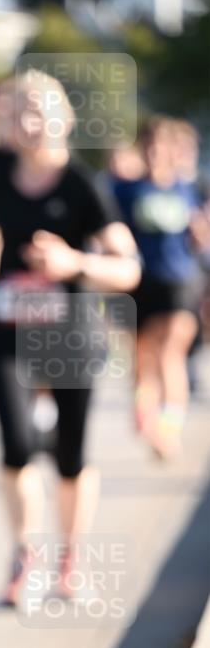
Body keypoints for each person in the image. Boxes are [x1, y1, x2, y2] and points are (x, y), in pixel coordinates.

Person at [0, 70, 140, 606]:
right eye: (20, 110)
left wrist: (73, 262)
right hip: (8, 329)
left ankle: (72, 560)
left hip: (69, 331)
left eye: (42, 110)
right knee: (17, 445)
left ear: (64, 119)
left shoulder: (82, 185)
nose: (31, 121)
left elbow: (128, 268)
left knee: (70, 453)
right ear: (5, 119)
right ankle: (27, 559)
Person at [112, 117, 208, 459]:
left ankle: (169, 431)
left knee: (170, 351)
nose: (155, 153)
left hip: (181, 279)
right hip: (141, 281)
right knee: (143, 359)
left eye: (162, 147)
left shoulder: (190, 188)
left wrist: (200, 234)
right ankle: (145, 415)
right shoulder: (127, 190)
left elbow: (201, 234)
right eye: (149, 146)